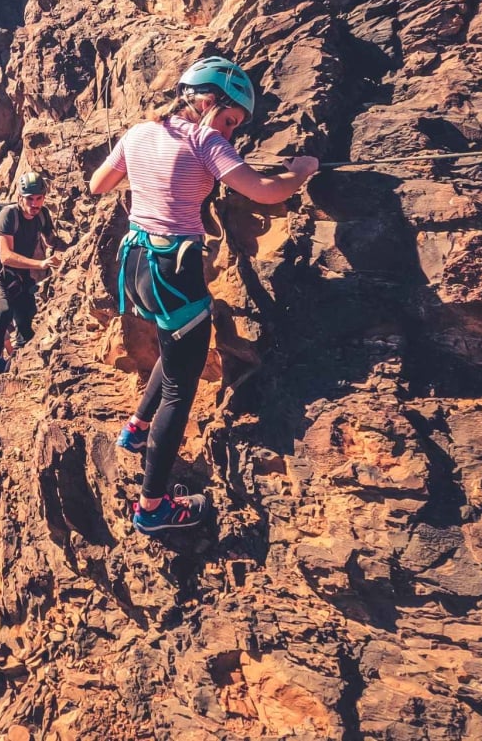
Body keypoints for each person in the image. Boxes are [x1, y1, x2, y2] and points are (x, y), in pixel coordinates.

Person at [89, 56, 319, 534]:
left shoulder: (137, 133)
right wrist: (300, 172)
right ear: (208, 100)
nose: (231, 133)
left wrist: (150, 177)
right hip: (173, 269)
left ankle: (135, 429)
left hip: (134, 265)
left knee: (175, 349)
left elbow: (98, 185)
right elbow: (263, 191)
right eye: (231, 120)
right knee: (182, 383)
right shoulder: (204, 140)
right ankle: (152, 508)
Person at [0, 171, 59, 384]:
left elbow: (50, 239)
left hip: (20, 280)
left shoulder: (42, 215)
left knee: (26, 326)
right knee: (2, 312)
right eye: (30, 198)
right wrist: (40, 264)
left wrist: (54, 251)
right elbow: (6, 256)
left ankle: (19, 368)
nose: (35, 203)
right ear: (20, 197)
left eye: (39, 198)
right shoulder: (9, 215)